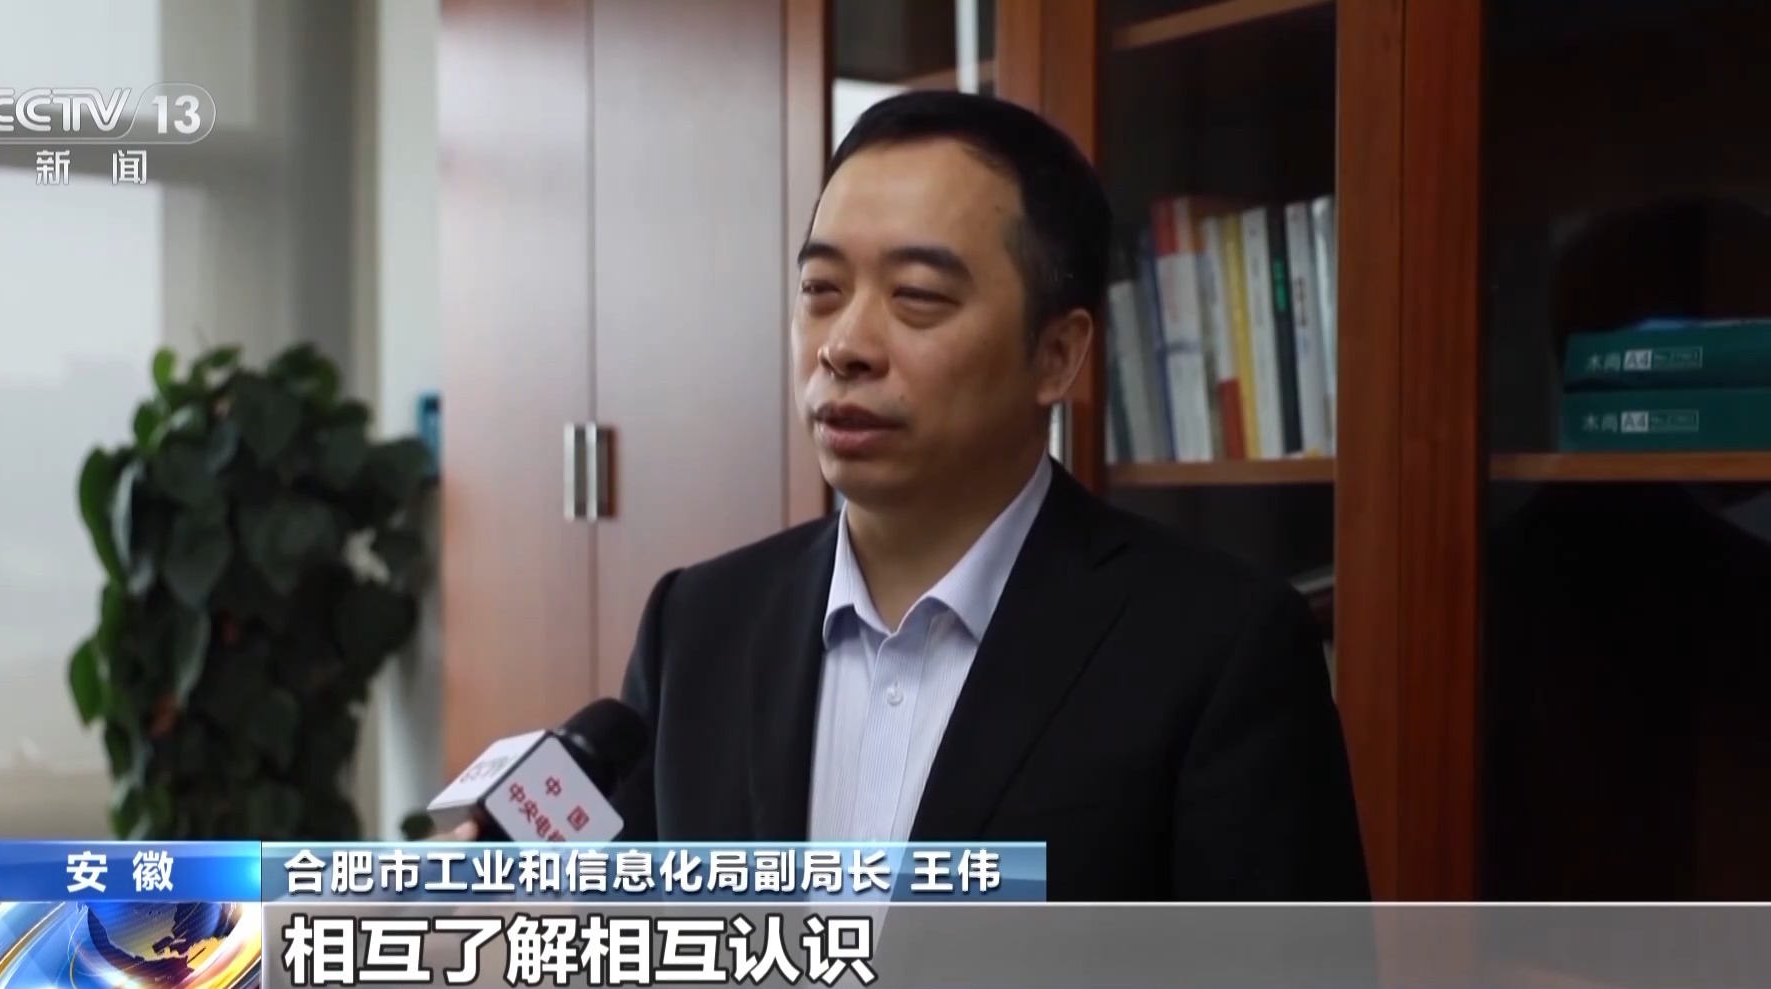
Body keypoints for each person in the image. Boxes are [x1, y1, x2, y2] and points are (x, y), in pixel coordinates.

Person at [452, 90, 1369, 901]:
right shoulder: (698, 624)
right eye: (820, 288)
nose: (843, 345)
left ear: (1057, 355)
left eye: (918, 297)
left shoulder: (1219, 649)